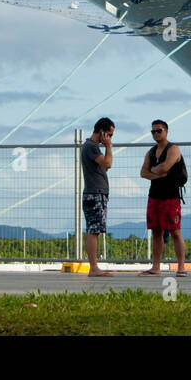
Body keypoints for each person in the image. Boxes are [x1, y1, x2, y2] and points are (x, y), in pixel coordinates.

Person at [140, 119, 186, 276]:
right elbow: (143, 173)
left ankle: (181, 267)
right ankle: (156, 267)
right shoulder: (151, 152)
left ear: (166, 131)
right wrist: (157, 172)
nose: (156, 134)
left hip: (171, 196)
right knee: (156, 231)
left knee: (175, 231)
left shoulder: (173, 149)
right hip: (154, 196)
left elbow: (166, 167)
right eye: (153, 131)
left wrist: (154, 171)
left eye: (159, 130)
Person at [81, 117, 114, 277]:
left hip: (95, 191)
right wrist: (109, 147)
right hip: (95, 193)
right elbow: (108, 163)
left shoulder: (91, 148)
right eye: (109, 135)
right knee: (93, 230)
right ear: (102, 132)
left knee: (94, 229)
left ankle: (94, 266)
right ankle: (93, 267)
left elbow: (102, 167)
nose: (110, 139)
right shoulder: (92, 147)